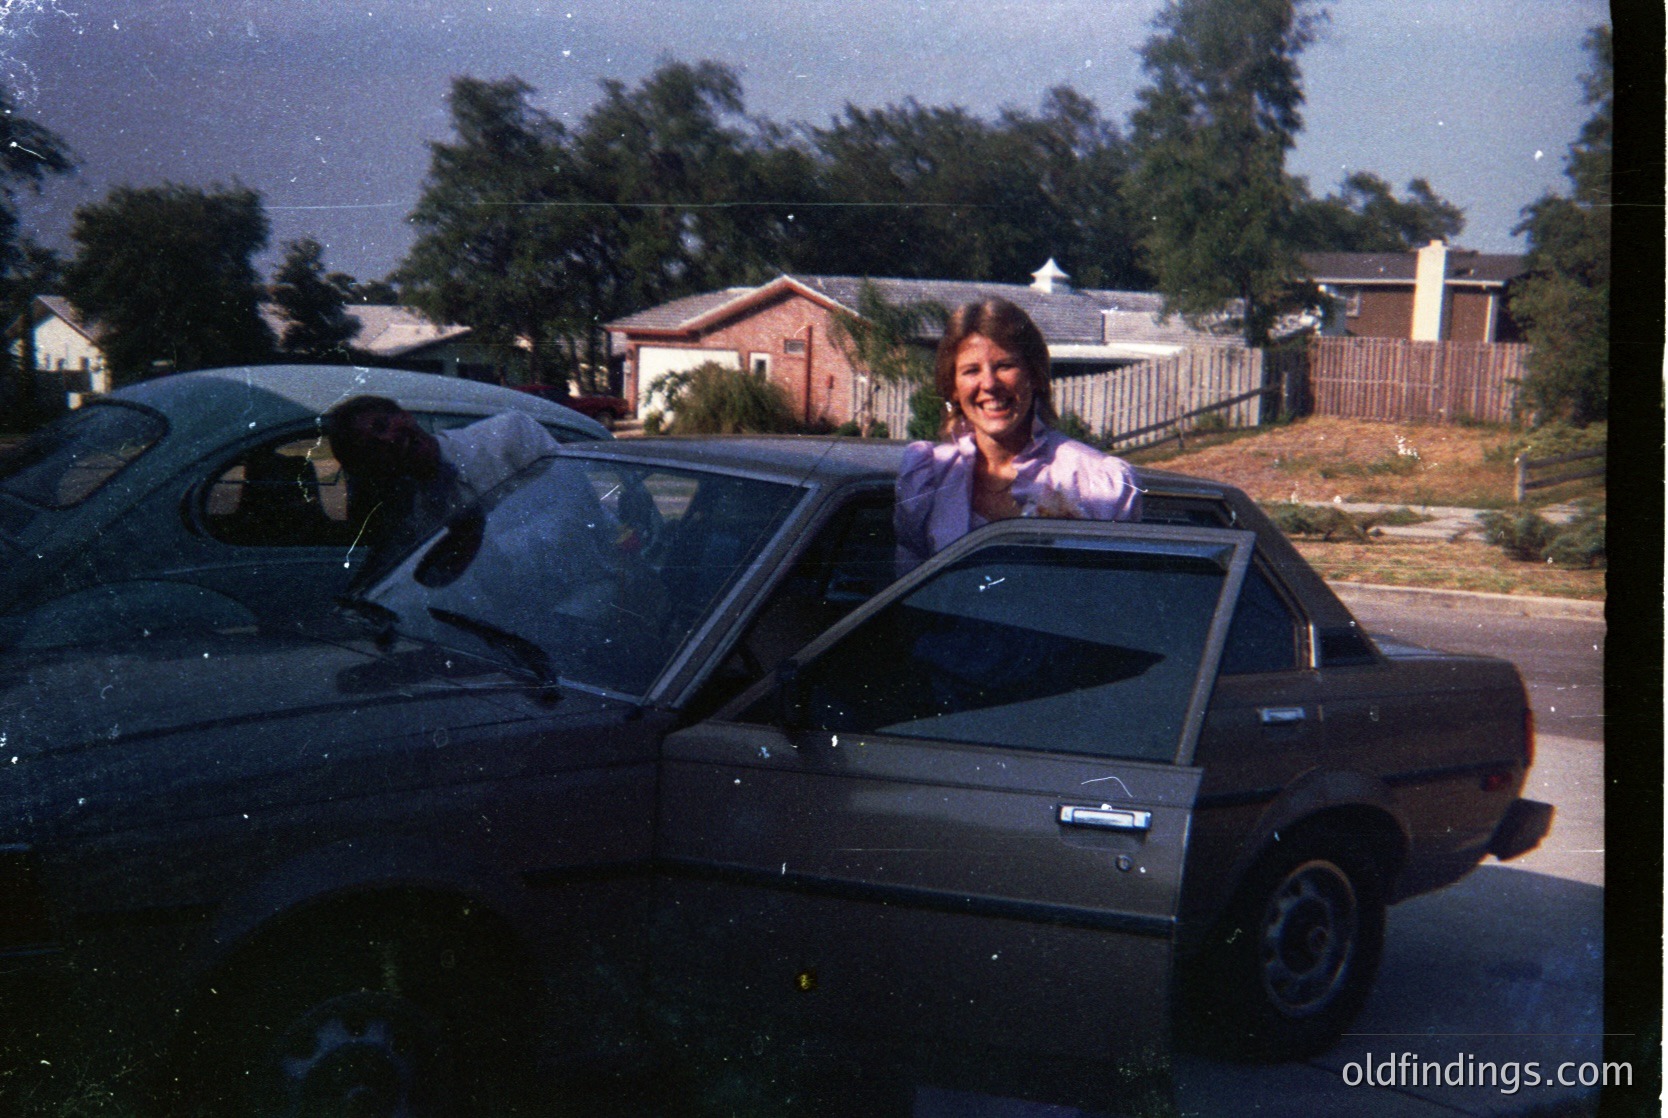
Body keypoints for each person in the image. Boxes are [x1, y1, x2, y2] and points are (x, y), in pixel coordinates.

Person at [895, 298, 1142, 573]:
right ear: (952, 386)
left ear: (1035, 375)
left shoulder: (1092, 480)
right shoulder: (930, 475)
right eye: (971, 370)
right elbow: (908, 586)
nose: (989, 384)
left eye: (1004, 365)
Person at [323, 396, 562, 584]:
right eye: (373, 447)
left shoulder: (511, 434)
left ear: (406, 416)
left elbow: (569, 510)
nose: (388, 440)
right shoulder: (412, 513)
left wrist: (485, 538)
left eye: (382, 425)